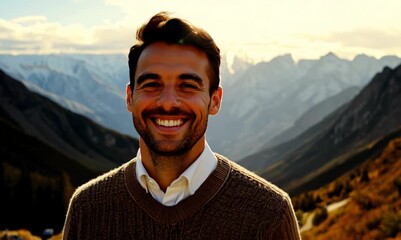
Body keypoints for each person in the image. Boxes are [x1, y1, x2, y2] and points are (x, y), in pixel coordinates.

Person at [62, 11, 301, 240]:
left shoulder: (269, 213)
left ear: (215, 101)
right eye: (151, 84)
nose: (168, 103)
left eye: (187, 85)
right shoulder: (88, 209)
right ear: (129, 98)